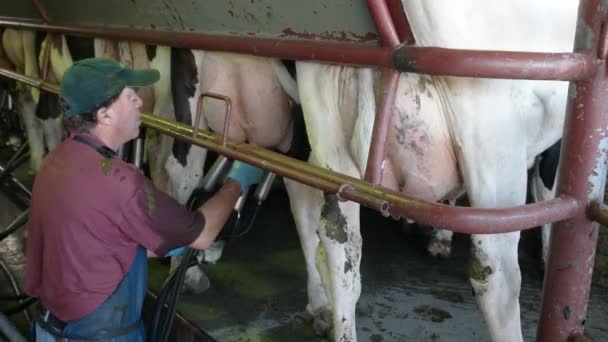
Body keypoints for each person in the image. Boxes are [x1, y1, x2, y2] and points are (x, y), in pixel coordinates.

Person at [24, 57, 264, 341]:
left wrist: (155, 242)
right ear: (104, 115)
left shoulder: (56, 160)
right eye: (129, 96)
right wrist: (237, 181)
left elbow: (92, 240)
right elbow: (202, 235)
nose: (139, 102)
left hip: (50, 328)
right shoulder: (120, 181)